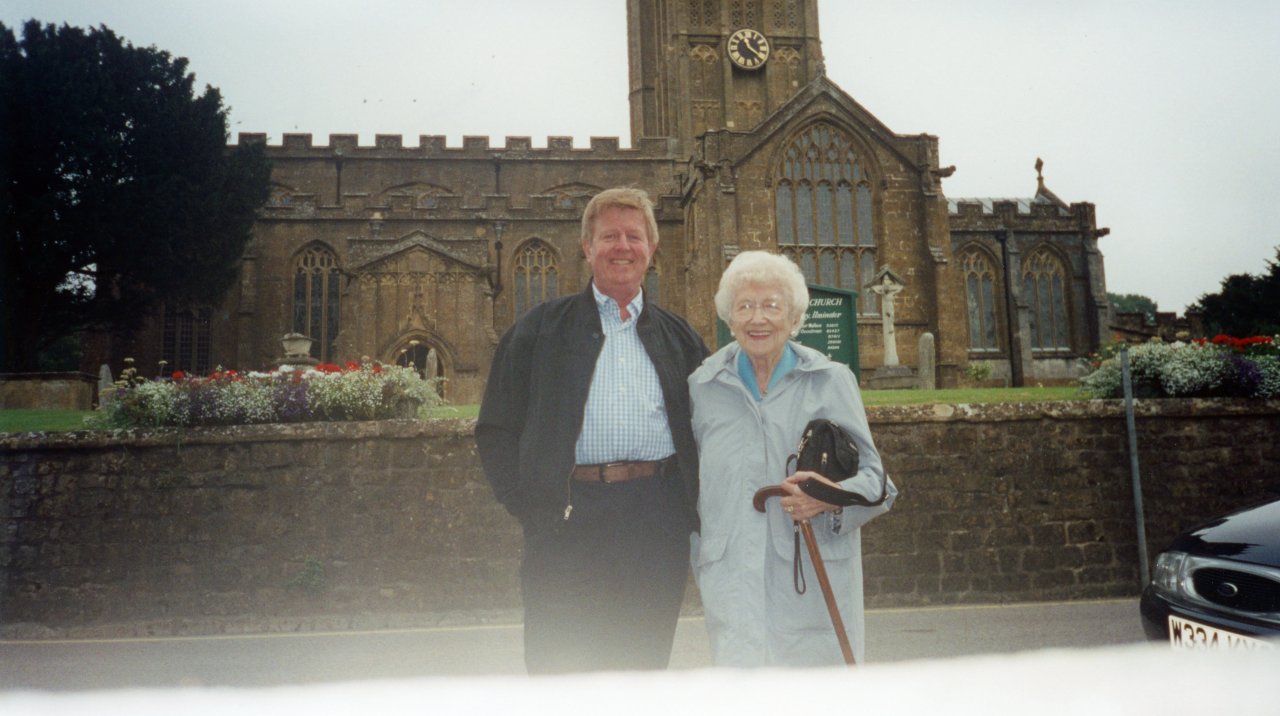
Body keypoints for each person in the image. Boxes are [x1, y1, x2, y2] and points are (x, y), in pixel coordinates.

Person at [476, 187, 709, 674]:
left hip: (655, 518)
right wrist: (531, 504)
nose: (622, 246)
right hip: (567, 519)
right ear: (586, 247)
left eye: (634, 236)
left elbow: (710, 431)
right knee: (561, 669)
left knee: (640, 669)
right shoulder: (538, 329)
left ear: (652, 246)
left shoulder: (681, 337)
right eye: (609, 236)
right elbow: (496, 428)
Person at [688, 250, 897, 666]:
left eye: (771, 306)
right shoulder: (704, 386)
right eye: (744, 306)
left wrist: (829, 496)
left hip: (811, 580)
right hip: (733, 584)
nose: (757, 318)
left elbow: (878, 483)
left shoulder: (830, 380)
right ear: (729, 319)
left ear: (794, 317)